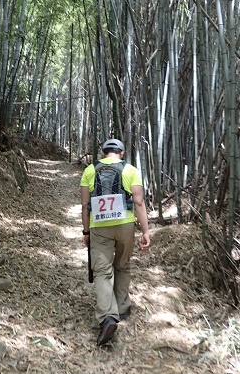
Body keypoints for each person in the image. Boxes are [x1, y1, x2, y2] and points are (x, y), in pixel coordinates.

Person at [80, 138, 151, 346]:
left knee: (102, 271)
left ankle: (107, 317)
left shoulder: (89, 171)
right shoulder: (130, 170)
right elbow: (138, 201)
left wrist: (86, 231)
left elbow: (85, 205)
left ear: (103, 153)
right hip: (125, 226)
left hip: (99, 227)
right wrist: (145, 231)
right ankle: (122, 307)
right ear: (122, 152)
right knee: (122, 265)